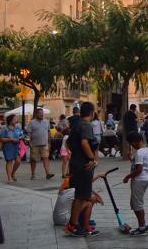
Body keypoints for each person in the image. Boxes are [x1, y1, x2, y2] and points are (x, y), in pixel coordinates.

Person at [66, 101, 99, 236]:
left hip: (75, 162)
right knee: (81, 196)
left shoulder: (76, 124)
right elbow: (84, 142)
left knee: (80, 195)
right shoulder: (86, 125)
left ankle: (79, 225)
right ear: (92, 112)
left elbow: (68, 142)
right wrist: (91, 158)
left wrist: (75, 153)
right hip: (83, 164)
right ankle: (73, 224)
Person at [120, 132, 148, 236]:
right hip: (144, 179)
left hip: (139, 180)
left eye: (131, 143)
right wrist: (131, 159)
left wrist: (127, 177)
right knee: (136, 203)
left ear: (135, 142)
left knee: (137, 204)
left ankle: (142, 227)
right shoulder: (145, 150)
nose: (131, 145)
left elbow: (139, 169)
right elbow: (137, 165)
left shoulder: (139, 153)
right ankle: (143, 224)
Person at [27, 108, 55, 180]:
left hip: (44, 144)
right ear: (36, 114)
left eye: (42, 113)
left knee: (46, 158)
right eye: (39, 113)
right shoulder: (31, 122)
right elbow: (29, 133)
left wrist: (49, 142)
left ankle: (47, 173)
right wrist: (29, 142)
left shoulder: (46, 122)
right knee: (33, 159)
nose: (41, 114)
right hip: (34, 144)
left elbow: (48, 132)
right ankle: (33, 175)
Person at [0, 114, 24, 183]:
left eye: (16, 119)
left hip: (16, 147)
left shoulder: (17, 127)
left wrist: (22, 137)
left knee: (18, 161)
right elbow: (1, 139)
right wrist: (11, 139)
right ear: (10, 120)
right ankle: (9, 177)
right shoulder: (5, 128)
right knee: (9, 161)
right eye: (14, 119)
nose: (16, 120)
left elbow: (21, 135)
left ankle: (13, 173)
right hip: (8, 147)